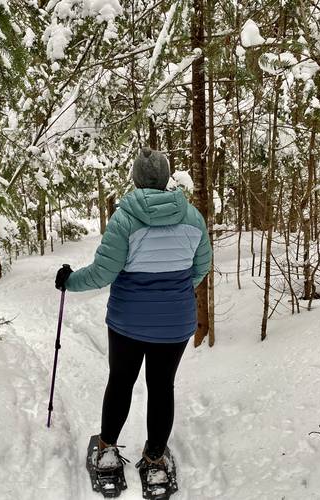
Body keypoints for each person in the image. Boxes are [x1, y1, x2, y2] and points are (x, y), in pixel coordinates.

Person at [55, 147, 211, 495]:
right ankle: (155, 459)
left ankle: (107, 450)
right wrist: (172, 293)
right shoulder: (192, 218)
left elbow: (101, 273)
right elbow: (200, 268)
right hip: (175, 325)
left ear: (137, 179)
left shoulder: (125, 219)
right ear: (166, 177)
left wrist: (68, 280)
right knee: (161, 388)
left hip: (128, 323)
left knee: (121, 382)